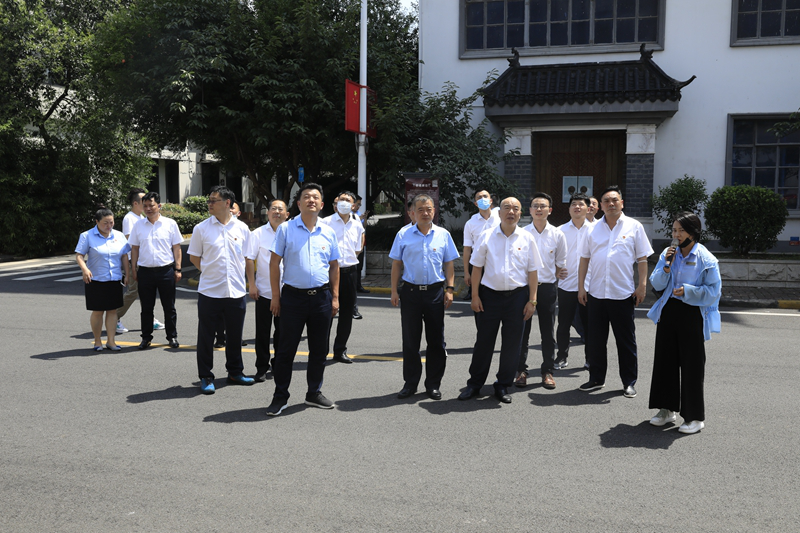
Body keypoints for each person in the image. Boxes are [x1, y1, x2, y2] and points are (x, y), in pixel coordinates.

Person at [266, 182, 341, 416]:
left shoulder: (328, 232)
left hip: (321, 298)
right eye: (306, 197)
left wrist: (335, 297)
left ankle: (313, 393)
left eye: (315, 197)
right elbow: (274, 263)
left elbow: (334, 266)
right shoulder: (286, 229)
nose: (311, 200)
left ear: (322, 204)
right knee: (285, 350)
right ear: (298, 204)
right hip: (292, 298)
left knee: (319, 350)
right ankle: (280, 396)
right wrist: (276, 297)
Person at [459, 197, 542, 404]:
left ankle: (503, 384)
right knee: (484, 342)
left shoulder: (527, 238)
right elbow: (476, 268)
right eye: (506, 208)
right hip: (489, 297)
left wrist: (532, 301)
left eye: (515, 208)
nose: (511, 212)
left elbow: (533, 272)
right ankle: (474, 384)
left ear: (520, 213)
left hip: (517, 298)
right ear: (499, 212)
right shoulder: (486, 236)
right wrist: (475, 296)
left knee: (512, 345)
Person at [647, 212, 721, 435]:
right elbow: (656, 283)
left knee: (692, 366)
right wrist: (666, 268)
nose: (676, 235)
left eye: (681, 230)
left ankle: (694, 417)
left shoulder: (706, 258)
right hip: (668, 311)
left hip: (692, 313)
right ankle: (666, 409)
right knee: (665, 362)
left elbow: (714, 292)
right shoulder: (668, 254)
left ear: (693, 233)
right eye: (674, 230)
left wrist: (689, 291)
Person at [578, 185, 654, 398]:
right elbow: (584, 259)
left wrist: (642, 286)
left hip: (622, 294)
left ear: (622, 203)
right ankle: (596, 378)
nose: (611, 204)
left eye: (614, 200)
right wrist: (581, 286)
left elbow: (642, 259)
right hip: (596, 293)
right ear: (600, 206)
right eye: (606, 201)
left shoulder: (634, 226)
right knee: (595, 341)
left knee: (626, 341)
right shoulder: (592, 229)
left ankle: (629, 382)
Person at [390, 194, 459, 400]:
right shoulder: (403, 234)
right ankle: (410, 383)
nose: (425, 213)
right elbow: (396, 264)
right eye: (420, 210)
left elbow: (449, 264)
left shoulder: (443, 235)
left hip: (435, 293)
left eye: (429, 209)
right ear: (412, 213)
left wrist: (450, 289)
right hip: (410, 293)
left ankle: (433, 384)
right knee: (411, 341)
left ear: (434, 211)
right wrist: (393, 291)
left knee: (436, 341)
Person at [187, 185, 255, 395]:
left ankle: (235, 372)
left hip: (236, 291)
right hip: (210, 291)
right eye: (209, 200)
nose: (209, 203)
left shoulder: (242, 228)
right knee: (206, 337)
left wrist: (251, 283)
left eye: (213, 200)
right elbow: (194, 257)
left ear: (227, 203)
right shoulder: (201, 228)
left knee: (235, 336)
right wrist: (209, 271)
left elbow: (248, 258)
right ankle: (206, 376)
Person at [515, 193, 567, 389]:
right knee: (522, 331)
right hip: (524, 288)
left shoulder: (557, 234)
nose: (539, 209)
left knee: (547, 332)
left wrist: (551, 277)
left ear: (549, 210)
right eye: (535, 206)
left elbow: (560, 263)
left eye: (543, 206)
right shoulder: (522, 233)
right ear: (529, 210)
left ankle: (547, 371)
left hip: (547, 288)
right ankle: (521, 371)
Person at [128, 192, 183, 350]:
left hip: (166, 271)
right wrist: (133, 269)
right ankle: (146, 338)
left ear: (158, 205)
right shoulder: (138, 225)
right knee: (146, 308)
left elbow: (176, 248)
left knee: (169, 307)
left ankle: (172, 336)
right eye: (145, 206)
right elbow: (134, 248)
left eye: (151, 205)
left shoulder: (170, 224)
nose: (148, 209)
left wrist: (178, 268)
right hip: (145, 272)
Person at [246, 198, 289, 382]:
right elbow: (249, 259)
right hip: (264, 291)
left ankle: (278, 364)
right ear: (268, 212)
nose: (277, 212)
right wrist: (252, 284)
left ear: (287, 214)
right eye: (273, 209)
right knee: (262, 333)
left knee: (283, 333)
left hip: (287, 292)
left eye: (280, 209)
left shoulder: (291, 233)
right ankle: (261, 367)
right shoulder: (257, 234)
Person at [75, 208, 131, 351]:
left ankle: (111, 341)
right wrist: (85, 269)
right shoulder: (87, 236)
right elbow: (79, 255)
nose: (109, 226)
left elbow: (124, 255)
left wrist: (127, 274)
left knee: (112, 311)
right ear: (97, 222)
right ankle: (97, 341)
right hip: (96, 279)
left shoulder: (119, 235)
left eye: (111, 222)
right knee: (98, 311)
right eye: (105, 223)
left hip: (114, 278)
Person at [321, 191, 364, 364]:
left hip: (350, 273)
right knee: (327, 313)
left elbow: (358, 248)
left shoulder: (357, 224)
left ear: (353, 205)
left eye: (348, 200)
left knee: (346, 314)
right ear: (336, 203)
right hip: (330, 272)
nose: (344, 202)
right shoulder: (325, 222)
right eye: (341, 200)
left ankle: (340, 350)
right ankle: (322, 351)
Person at [116, 188, 166, 334]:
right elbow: (131, 242)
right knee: (133, 291)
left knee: (145, 292)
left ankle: (150, 319)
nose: (147, 205)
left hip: (143, 262)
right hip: (135, 262)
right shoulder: (130, 218)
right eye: (144, 202)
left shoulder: (141, 217)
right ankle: (114, 317)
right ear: (136, 203)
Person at [554, 193, 592, 370]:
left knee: (590, 325)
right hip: (566, 285)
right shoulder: (559, 230)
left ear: (588, 208)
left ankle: (590, 358)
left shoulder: (596, 230)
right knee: (563, 324)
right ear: (569, 209)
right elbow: (551, 255)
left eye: (581, 204)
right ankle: (561, 357)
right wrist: (555, 271)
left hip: (590, 286)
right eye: (574, 204)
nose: (577, 207)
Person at [461, 188, 500, 302]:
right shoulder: (470, 223)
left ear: (491, 201)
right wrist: (466, 272)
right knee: (478, 295)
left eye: (485, 196)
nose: (483, 199)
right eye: (479, 197)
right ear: (475, 203)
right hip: (477, 263)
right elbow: (467, 249)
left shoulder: (500, 220)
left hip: (496, 261)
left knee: (496, 296)